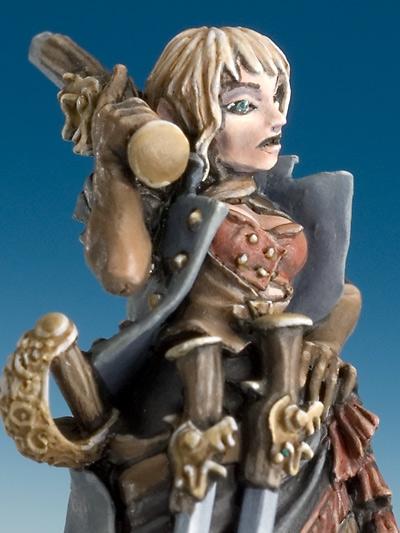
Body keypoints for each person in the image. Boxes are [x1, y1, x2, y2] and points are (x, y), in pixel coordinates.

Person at [2, 26, 396, 533]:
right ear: (180, 118)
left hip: (287, 391)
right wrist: (116, 162)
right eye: (243, 105)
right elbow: (123, 274)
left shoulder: (277, 201)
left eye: (276, 97)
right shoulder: (173, 206)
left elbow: (340, 294)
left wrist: (325, 341)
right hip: (197, 388)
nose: (277, 117)